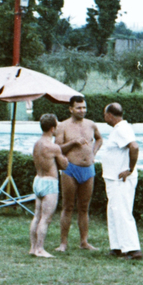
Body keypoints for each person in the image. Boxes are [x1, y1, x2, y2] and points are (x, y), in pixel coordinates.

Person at [53, 97, 105, 253]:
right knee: (67, 206)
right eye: (78, 108)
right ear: (70, 109)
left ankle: (84, 241)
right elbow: (57, 149)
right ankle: (63, 243)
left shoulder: (91, 124)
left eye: (84, 107)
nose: (82, 110)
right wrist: (73, 143)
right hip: (70, 169)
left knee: (84, 207)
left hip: (88, 168)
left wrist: (93, 152)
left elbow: (99, 139)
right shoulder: (63, 126)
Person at [98, 103, 143, 259]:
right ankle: (117, 246)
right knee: (113, 212)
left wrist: (129, 169)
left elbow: (134, 147)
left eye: (105, 114)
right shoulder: (118, 130)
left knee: (122, 212)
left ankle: (133, 249)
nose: (104, 118)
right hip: (113, 178)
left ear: (110, 115)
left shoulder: (122, 129)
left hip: (121, 179)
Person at [29, 113, 63, 257]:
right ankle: (40, 248)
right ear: (52, 128)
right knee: (46, 218)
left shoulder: (37, 144)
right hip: (50, 183)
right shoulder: (53, 147)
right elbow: (64, 164)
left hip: (38, 180)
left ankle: (32, 247)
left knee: (37, 216)